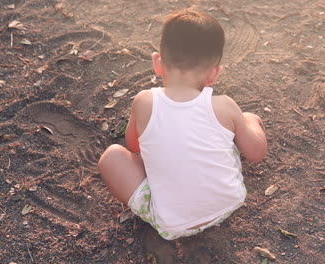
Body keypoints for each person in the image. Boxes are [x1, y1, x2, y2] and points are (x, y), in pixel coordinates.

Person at [98, 8, 267, 240]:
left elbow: (134, 146)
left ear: (158, 63)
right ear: (214, 74)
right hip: (229, 202)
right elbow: (256, 154)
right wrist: (251, 121)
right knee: (243, 122)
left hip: (173, 224)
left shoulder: (144, 102)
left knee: (112, 157)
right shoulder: (225, 106)